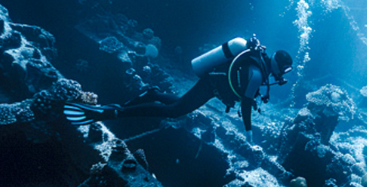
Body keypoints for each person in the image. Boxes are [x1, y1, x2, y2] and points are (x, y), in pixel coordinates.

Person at [63, 37, 292, 132]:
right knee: (173, 113)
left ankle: (154, 93)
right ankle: (115, 112)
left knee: (180, 104)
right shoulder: (255, 74)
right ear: (279, 65)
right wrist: (249, 131)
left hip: (213, 84)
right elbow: (245, 104)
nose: (282, 75)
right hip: (211, 85)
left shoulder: (259, 61)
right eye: (284, 70)